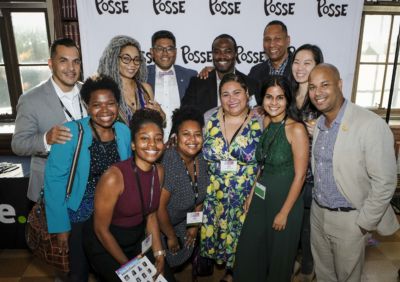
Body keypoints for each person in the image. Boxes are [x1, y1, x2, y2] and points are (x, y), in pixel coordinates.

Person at [308, 63, 399, 282]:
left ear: (339, 85)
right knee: (323, 274)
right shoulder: (320, 122)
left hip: (350, 220)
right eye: (312, 87)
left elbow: (385, 182)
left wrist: (364, 223)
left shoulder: (370, 124)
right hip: (318, 215)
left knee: (348, 276)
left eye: (325, 85)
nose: (317, 92)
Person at [44, 74, 132, 281]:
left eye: (110, 103)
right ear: (87, 105)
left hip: (112, 215)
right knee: (78, 273)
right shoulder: (71, 132)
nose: (104, 111)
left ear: (117, 104)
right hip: (79, 218)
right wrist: (61, 228)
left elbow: (126, 174)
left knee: (111, 270)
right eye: (96, 105)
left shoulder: (123, 131)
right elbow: (54, 181)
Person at [83, 109, 175, 282]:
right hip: (106, 243)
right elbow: (100, 229)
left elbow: (151, 215)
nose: (152, 144)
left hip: (136, 239)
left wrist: (159, 253)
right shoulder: (114, 177)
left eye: (157, 139)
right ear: (133, 144)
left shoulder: (160, 171)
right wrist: (130, 266)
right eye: (144, 138)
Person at [234, 75, 309, 282]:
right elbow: (263, 163)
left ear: (288, 100)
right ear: (262, 98)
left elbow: (301, 175)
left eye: (280, 98)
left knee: (278, 260)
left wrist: (284, 213)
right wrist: (251, 194)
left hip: (286, 201)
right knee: (249, 252)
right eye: (269, 97)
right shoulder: (266, 121)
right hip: (261, 198)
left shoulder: (296, 129)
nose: (273, 103)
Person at [201, 73, 262, 282]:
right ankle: (230, 274)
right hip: (215, 196)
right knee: (223, 243)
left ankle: (238, 275)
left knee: (245, 244)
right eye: (225, 94)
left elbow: (265, 163)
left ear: (247, 94)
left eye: (237, 92)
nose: (231, 98)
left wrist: (255, 191)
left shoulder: (261, 120)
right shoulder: (209, 117)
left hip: (246, 196)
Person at [11, 38, 86, 203]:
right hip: (49, 191)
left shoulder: (88, 92)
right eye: (63, 61)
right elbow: (18, 145)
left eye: (76, 62)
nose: (71, 68)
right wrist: (46, 139)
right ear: (51, 64)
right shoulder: (30, 100)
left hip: (85, 188)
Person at [157, 106, 208, 268]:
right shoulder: (169, 162)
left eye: (197, 134)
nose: (193, 140)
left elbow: (200, 195)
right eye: (186, 134)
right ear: (176, 137)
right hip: (160, 227)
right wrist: (171, 236)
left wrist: (194, 225)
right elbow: (159, 208)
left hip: (182, 221)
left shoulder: (201, 159)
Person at [290, 43, 324, 281]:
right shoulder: (288, 94)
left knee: (309, 226)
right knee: (293, 221)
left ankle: (309, 267)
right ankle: (293, 261)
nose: (300, 68)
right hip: (289, 171)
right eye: (296, 62)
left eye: (307, 62)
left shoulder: (321, 97)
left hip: (313, 174)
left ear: (317, 66)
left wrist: (318, 132)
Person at [182, 34, 259, 115]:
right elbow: (185, 115)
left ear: (236, 54)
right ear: (212, 55)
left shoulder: (251, 84)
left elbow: (258, 116)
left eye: (227, 51)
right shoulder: (197, 84)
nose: (222, 56)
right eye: (217, 52)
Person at [97, 35, 165, 126]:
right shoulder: (106, 92)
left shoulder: (145, 89)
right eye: (126, 58)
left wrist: (161, 115)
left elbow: (157, 124)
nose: (132, 64)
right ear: (114, 59)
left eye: (136, 59)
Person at [147, 30, 197, 139]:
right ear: (152, 52)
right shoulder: (142, 75)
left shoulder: (191, 76)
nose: (165, 53)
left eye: (169, 49)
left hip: (182, 143)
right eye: (160, 49)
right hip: (151, 143)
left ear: (175, 52)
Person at [248, 20, 293, 86]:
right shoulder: (255, 72)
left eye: (277, 39)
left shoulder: (299, 68)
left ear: (287, 40)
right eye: (267, 40)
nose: (271, 44)